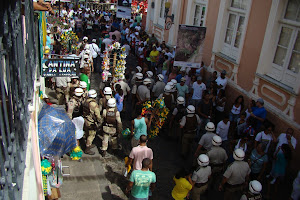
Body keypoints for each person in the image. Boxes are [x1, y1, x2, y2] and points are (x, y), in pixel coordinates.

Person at [82, 90, 103, 155]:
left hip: (85, 119)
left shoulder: (85, 101)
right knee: (91, 135)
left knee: (87, 132)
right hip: (91, 122)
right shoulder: (94, 104)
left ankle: (87, 144)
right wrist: (100, 121)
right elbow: (97, 115)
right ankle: (87, 148)